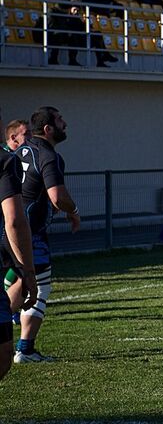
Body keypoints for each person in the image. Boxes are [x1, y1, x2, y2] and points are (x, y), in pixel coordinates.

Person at [4, 107, 79, 364]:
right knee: (33, 286)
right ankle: (25, 348)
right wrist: (74, 210)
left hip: (6, 229)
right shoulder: (48, 155)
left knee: (16, 280)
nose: (65, 124)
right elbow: (57, 196)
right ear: (48, 129)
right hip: (28, 233)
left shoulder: (19, 151)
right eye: (60, 120)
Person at [0, 129, 37, 380]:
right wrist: (28, 271)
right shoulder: (5, 160)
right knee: (2, 358)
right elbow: (13, 219)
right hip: (17, 247)